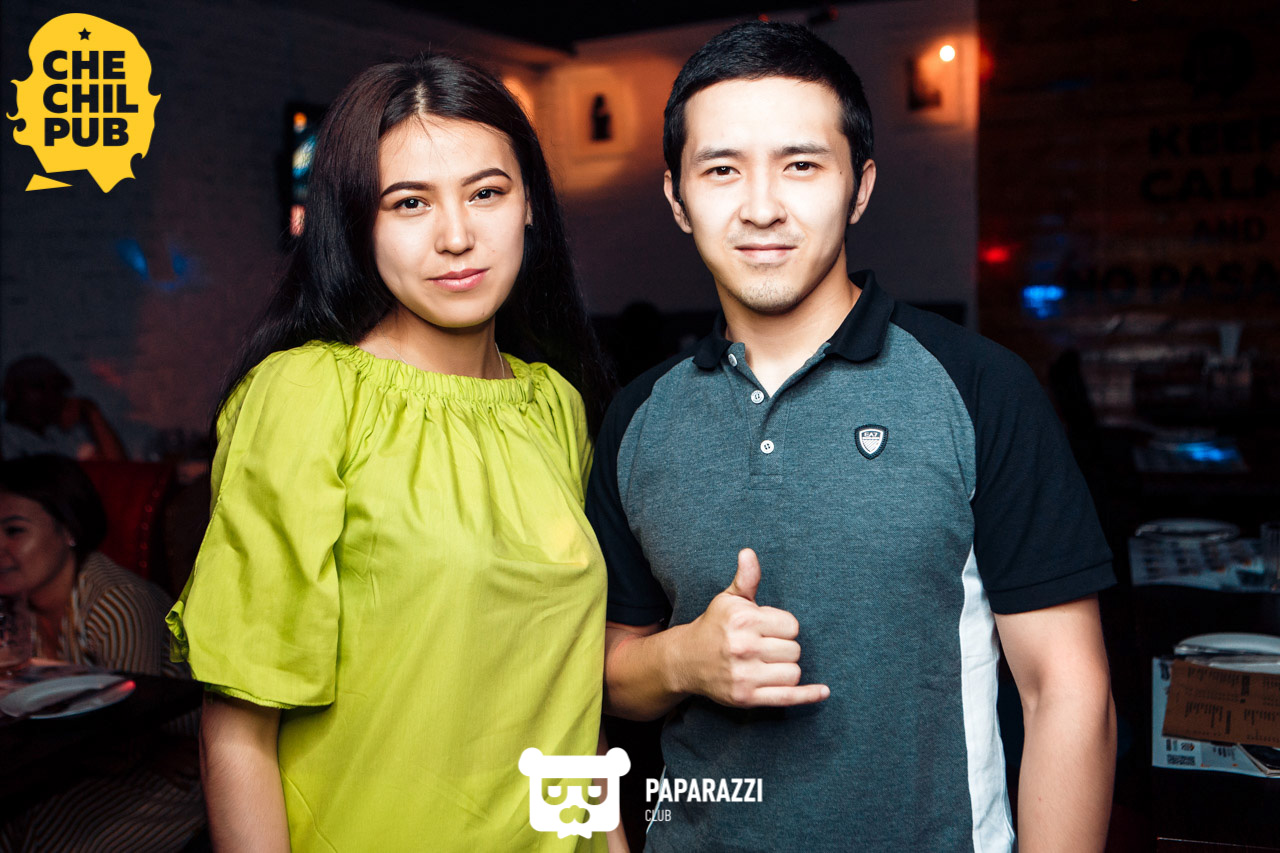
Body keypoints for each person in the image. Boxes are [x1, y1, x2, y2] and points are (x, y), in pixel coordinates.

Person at [587, 21, 1117, 853]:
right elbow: (603, 674)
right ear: (676, 197)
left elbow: (1068, 690)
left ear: (860, 187)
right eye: (722, 169)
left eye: (801, 165)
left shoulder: (979, 387)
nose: (762, 206)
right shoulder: (639, 416)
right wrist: (685, 660)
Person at [167, 53, 623, 851]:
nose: (457, 237)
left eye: (487, 192)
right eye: (409, 202)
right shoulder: (307, 396)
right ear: (359, 223)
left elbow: (567, 700)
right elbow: (237, 734)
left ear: (529, 206)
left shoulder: (555, 404)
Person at [0, 454, 203, 852]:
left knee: (49, 842)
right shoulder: (17, 609)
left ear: (68, 530)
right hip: (93, 761)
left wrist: (148, 748)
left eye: (14, 531)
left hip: (178, 769)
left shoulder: (114, 602)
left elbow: (127, 742)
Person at [1, 356, 127, 461]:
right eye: (38, 387)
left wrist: (92, 412)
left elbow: (119, 470)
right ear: (11, 392)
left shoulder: (64, 437)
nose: (49, 397)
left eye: (56, 389)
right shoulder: (6, 437)